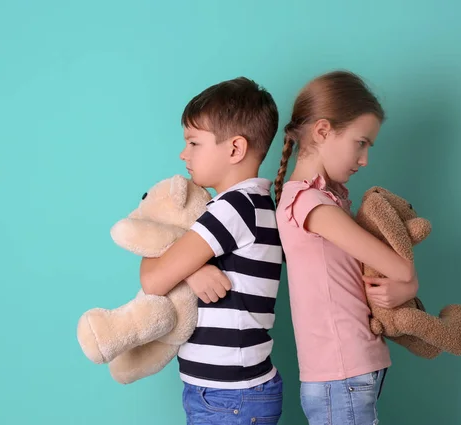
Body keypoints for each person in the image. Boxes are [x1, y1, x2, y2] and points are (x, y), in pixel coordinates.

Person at [274, 70, 419, 425]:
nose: (365, 158)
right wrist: (411, 285)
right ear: (323, 131)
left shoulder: (326, 200)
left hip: (349, 372)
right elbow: (400, 268)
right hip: (341, 374)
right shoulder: (312, 205)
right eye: (361, 142)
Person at [140, 77, 284, 424]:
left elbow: (154, 279)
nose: (183, 153)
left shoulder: (233, 208)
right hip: (228, 393)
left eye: (193, 142)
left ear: (235, 149)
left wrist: (179, 263)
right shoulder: (252, 204)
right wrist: (192, 267)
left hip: (229, 397)